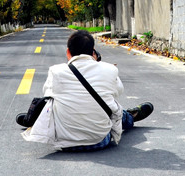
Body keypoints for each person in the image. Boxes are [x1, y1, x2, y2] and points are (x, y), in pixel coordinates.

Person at [17, 30, 153, 151]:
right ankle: (130, 116)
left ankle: (33, 119)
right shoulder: (109, 69)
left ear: (68, 52)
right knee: (113, 106)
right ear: (93, 51)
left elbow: (47, 94)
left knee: (53, 103)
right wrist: (98, 64)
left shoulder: (55, 71)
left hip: (64, 142)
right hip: (100, 141)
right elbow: (118, 91)